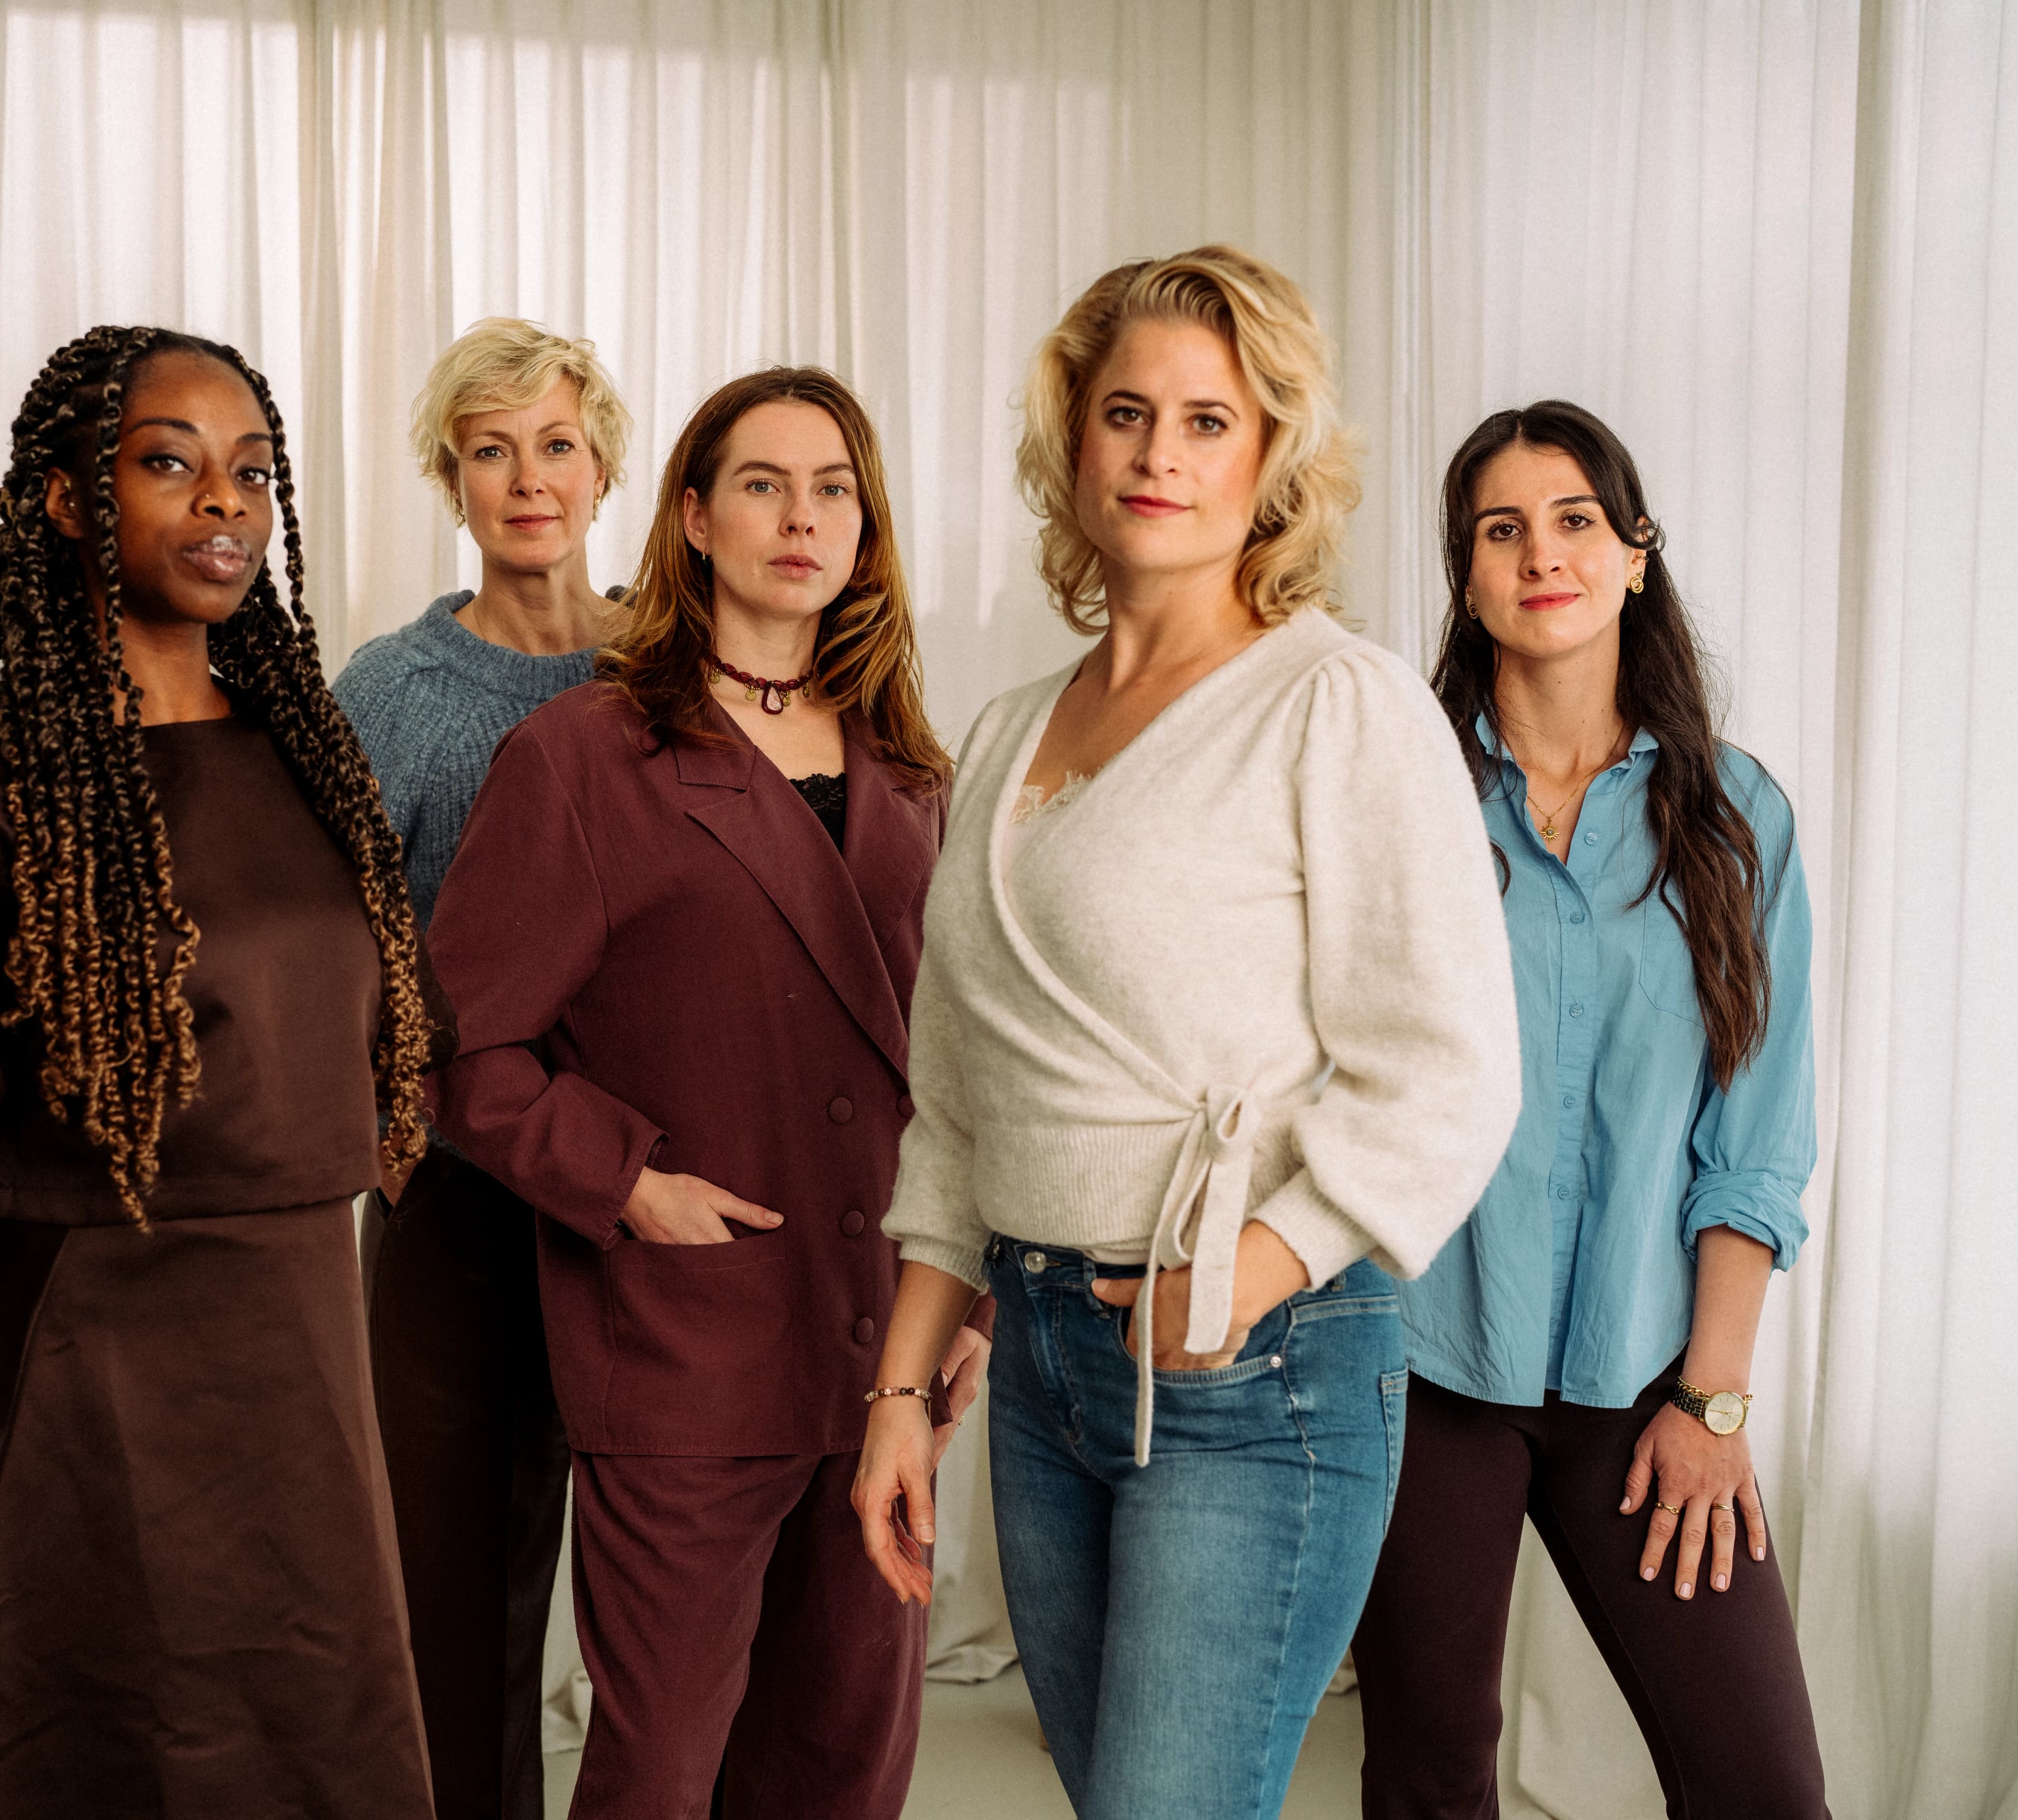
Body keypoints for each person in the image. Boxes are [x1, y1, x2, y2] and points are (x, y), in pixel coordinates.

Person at [854, 246, 1522, 1820]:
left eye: (1209, 421)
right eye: (1127, 413)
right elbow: (956, 1097)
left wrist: (1249, 1275)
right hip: (1039, 1366)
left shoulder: (1338, 703)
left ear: (1273, 457)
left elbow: (1450, 1064)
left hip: (1254, 1366)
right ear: (1074, 442)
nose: (1161, 454)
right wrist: (896, 1398)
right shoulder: (1006, 732)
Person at [0, 327, 437, 1819]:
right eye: (170, 463)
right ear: (68, 500)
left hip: (306, 1407)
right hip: (76, 1417)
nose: (225, 502)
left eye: (253, 472)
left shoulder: (314, 771)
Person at [426, 366, 988, 1820]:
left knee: (841, 1767)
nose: (801, 518)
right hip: (687, 1346)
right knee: (660, 1772)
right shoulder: (582, 756)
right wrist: (625, 1184)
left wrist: (969, 1301)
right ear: (691, 515)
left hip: (884, 1349)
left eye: (833, 490)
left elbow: (967, 1063)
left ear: (865, 531)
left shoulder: (912, 771)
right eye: (762, 484)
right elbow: (457, 1044)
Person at [1348, 400, 1829, 1818]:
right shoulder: (1399, 794)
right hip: (1419, 1360)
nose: (1541, 555)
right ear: (1467, 572)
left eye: (1575, 521)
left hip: (1646, 1377)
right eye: (1501, 530)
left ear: (1635, 553)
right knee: (1431, 1775)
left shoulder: (1737, 818)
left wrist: (1712, 1399)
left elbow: (1756, 1141)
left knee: (1763, 1787)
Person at [331, 316, 631, 1820]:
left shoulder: (677, 667)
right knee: (454, 1601)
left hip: (647, 1194)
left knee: (669, 1586)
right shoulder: (391, 689)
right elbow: (334, 935)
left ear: (605, 468)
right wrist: (382, 1124)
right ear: (450, 479)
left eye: (556, 445)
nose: (527, 480)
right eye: (490, 451)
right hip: (451, 1194)